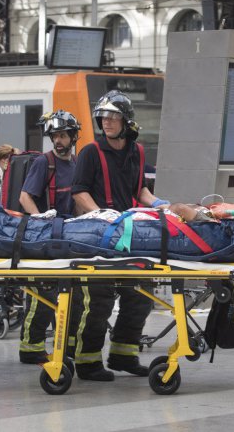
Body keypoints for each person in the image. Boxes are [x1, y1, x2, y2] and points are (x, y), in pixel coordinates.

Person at [69, 90, 166, 381]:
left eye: (113, 116)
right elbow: (79, 192)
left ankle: (124, 355)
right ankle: (87, 362)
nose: (107, 121)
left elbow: (140, 191)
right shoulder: (90, 152)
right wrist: (102, 215)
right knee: (98, 299)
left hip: (128, 233)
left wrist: (159, 204)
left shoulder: (137, 152)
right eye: (103, 116)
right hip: (96, 235)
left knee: (140, 295)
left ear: (126, 120)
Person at [17, 110, 80, 365]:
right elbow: (24, 197)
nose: (58, 141)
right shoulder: (45, 163)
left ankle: (66, 346)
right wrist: (40, 219)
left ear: (74, 137)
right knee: (42, 293)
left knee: (70, 293)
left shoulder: (76, 164)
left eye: (63, 135)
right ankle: (30, 348)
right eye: (55, 136)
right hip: (44, 237)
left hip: (68, 236)